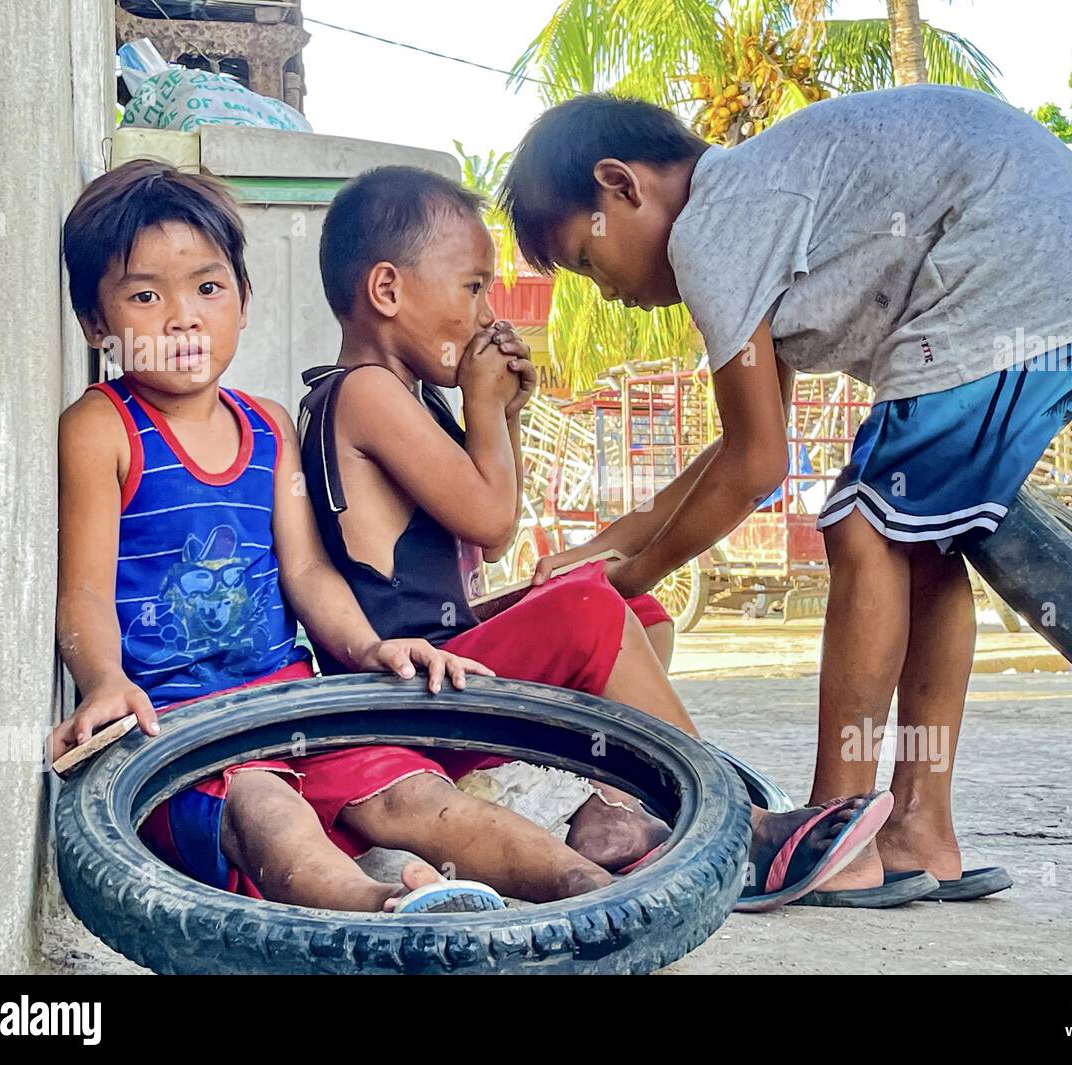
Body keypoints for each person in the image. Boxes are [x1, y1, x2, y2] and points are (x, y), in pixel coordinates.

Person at [499, 87, 1072, 905]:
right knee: (918, 543)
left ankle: (830, 833)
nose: (605, 291)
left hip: (1015, 276)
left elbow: (754, 468)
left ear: (621, 186)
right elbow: (745, 443)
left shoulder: (715, 226)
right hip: (1066, 276)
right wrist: (605, 547)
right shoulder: (755, 210)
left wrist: (627, 581)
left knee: (862, 525)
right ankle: (919, 829)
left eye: (585, 259)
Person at [50, 159, 662, 914]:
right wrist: (106, 680)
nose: (183, 317)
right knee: (270, 814)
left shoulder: (267, 425)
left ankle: (591, 893)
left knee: (421, 797)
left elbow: (306, 571)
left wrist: (369, 650)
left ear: (243, 301)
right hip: (178, 731)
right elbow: (81, 588)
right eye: (145, 295)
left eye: (208, 288)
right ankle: (385, 909)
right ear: (95, 323)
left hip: (291, 706)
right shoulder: (100, 428)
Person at [299, 165, 892, 912]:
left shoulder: (410, 400)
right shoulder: (363, 393)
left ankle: (615, 805)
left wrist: (502, 420)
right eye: (472, 286)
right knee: (586, 611)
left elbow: (485, 538)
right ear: (387, 290)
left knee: (627, 607)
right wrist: (485, 411)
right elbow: (487, 516)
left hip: (451, 670)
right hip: (411, 686)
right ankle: (738, 830)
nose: (487, 314)